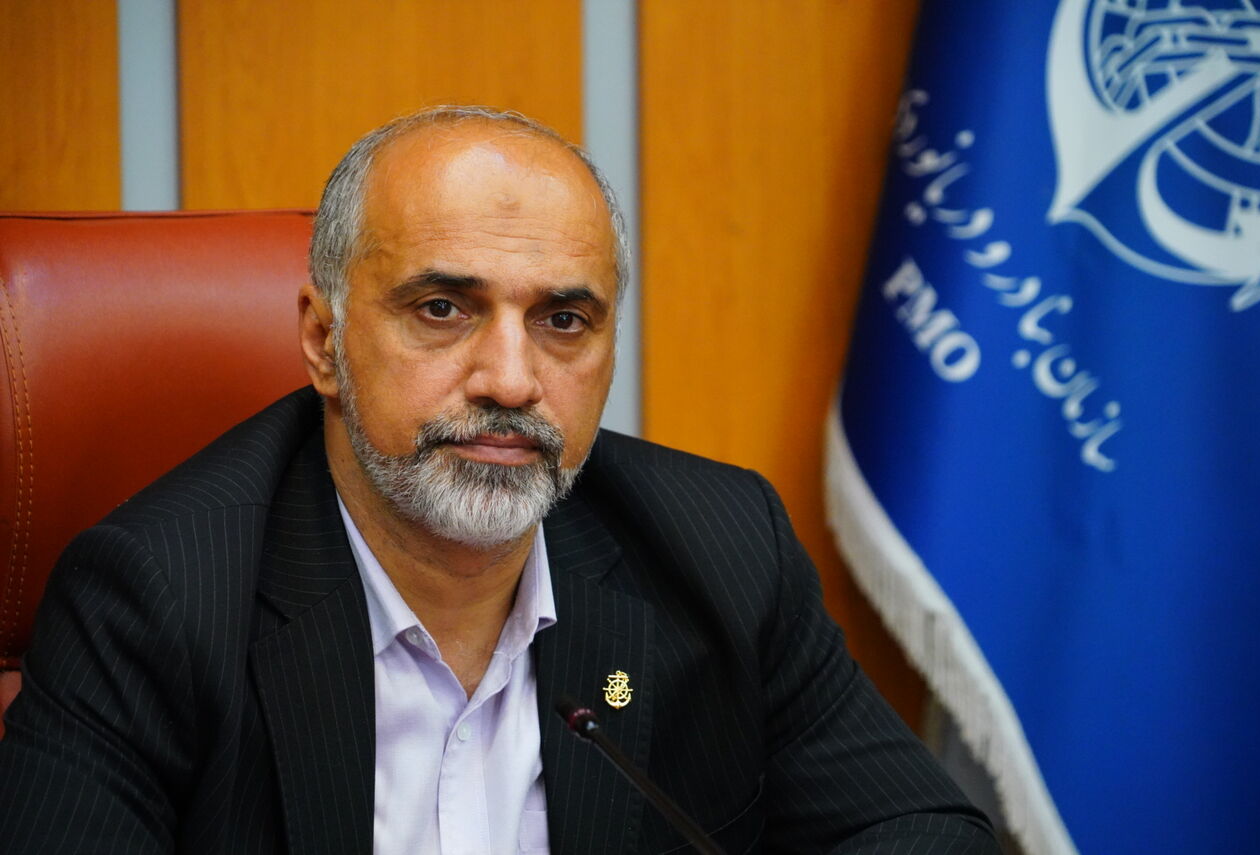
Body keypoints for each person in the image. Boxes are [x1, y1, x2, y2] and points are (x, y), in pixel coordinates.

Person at [0, 106, 998, 854]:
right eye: (443, 309)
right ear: (323, 340)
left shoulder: (721, 547)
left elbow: (922, 831)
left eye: (563, 320)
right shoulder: (155, 600)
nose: (512, 381)